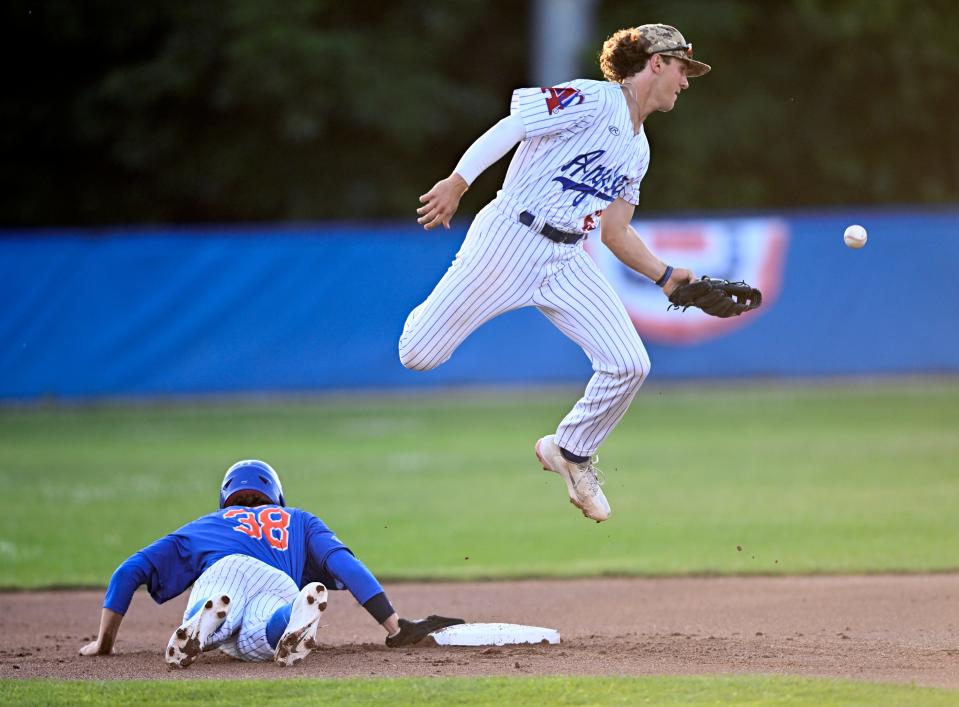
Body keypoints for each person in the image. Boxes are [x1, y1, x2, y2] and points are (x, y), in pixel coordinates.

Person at [399, 24, 710, 524]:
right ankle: (445, 301)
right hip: (509, 239)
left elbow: (615, 233)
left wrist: (667, 276)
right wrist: (458, 182)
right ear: (656, 62)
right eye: (682, 68)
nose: (686, 81)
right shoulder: (594, 99)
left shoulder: (640, 149)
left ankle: (570, 450)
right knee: (417, 354)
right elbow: (513, 126)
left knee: (630, 364)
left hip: (567, 257)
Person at [79, 459, 462, 667]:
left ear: (225, 497)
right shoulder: (300, 519)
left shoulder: (208, 524)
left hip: (225, 570)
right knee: (259, 638)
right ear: (275, 494)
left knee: (221, 608)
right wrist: (394, 626)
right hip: (280, 582)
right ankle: (291, 618)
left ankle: (204, 620)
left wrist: (104, 643)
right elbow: (346, 566)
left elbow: (127, 572)